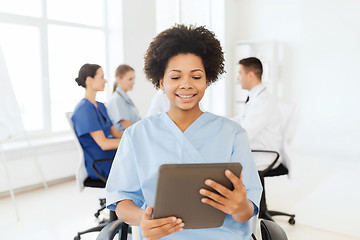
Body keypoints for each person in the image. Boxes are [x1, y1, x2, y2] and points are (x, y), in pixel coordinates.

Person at [106, 25, 262, 240]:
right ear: (161, 81)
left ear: (208, 80)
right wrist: (142, 218)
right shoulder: (136, 135)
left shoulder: (233, 134)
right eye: (176, 77)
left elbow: (247, 211)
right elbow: (121, 200)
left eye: (196, 77)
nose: (186, 85)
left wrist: (240, 206)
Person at [72, 63, 123, 181]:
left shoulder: (101, 106)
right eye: (101, 77)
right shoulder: (83, 109)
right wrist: (129, 142)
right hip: (101, 163)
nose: (105, 81)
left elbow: (117, 133)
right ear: (89, 80)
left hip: (113, 156)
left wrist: (136, 135)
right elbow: (103, 144)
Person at [231, 57, 283, 171]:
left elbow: (245, 133)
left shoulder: (263, 101)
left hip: (264, 155)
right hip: (257, 149)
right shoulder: (257, 97)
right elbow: (242, 119)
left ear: (250, 75)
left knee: (220, 162)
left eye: (240, 73)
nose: (238, 78)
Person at [106, 64, 140, 131]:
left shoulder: (125, 98)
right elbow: (128, 127)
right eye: (130, 79)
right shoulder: (117, 99)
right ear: (118, 79)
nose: (133, 82)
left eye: (134, 79)